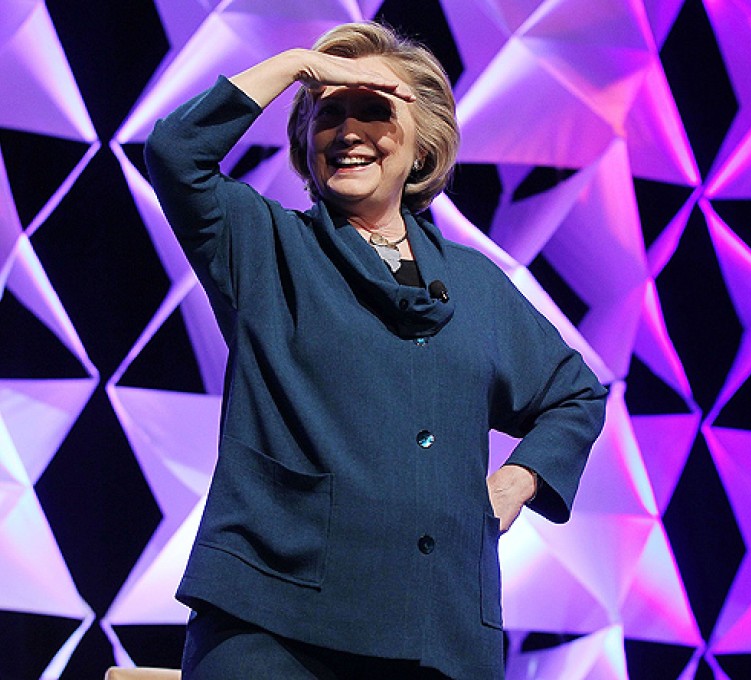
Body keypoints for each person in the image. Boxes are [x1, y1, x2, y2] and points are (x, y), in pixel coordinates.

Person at [144, 21, 607, 680]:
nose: (349, 131)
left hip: (437, 633)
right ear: (306, 141)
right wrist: (298, 65)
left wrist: (518, 479)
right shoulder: (263, 244)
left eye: (374, 110)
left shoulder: (475, 285)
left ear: (421, 146)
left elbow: (575, 396)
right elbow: (176, 151)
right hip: (275, 621)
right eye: (329, 114)